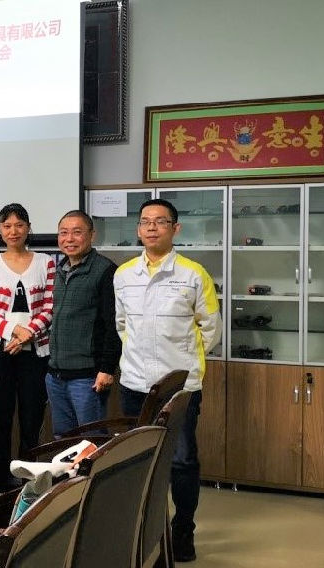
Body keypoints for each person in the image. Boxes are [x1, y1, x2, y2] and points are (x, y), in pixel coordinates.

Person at [114, 198, 222, 563]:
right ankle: (145, 528)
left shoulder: (193, 274)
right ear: (138, 229)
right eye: (145, 221)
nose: (151, 227)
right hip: (134, 383)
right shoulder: (124, 274)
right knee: (140, 460)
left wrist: (183, 361)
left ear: (175, 228)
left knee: (182, 461)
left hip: (179, 387)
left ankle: (183, 530)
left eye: (160, 221)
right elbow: (122, 325)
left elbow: (210, 329)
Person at [0, 203, 54, 493]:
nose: (13, 231)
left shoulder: (46, 262)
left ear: (28, 228)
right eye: (7, 226)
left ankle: (27, 480)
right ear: (0, 230)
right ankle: (0, 479)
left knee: (31, 418)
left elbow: (50, 307)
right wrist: (14, 332)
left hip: (35, 352)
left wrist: (28, 334)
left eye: (19, 225)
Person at [46, 210, 119, 437]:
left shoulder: (106, 271)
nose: (69, 239)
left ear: (91, 235)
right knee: (62, 437)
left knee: (91, 439)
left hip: (87, 377)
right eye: (63, 233)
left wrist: (107, 368)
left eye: (77, 232)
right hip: (55, 375)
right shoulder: (59, 270)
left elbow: (114, 325)